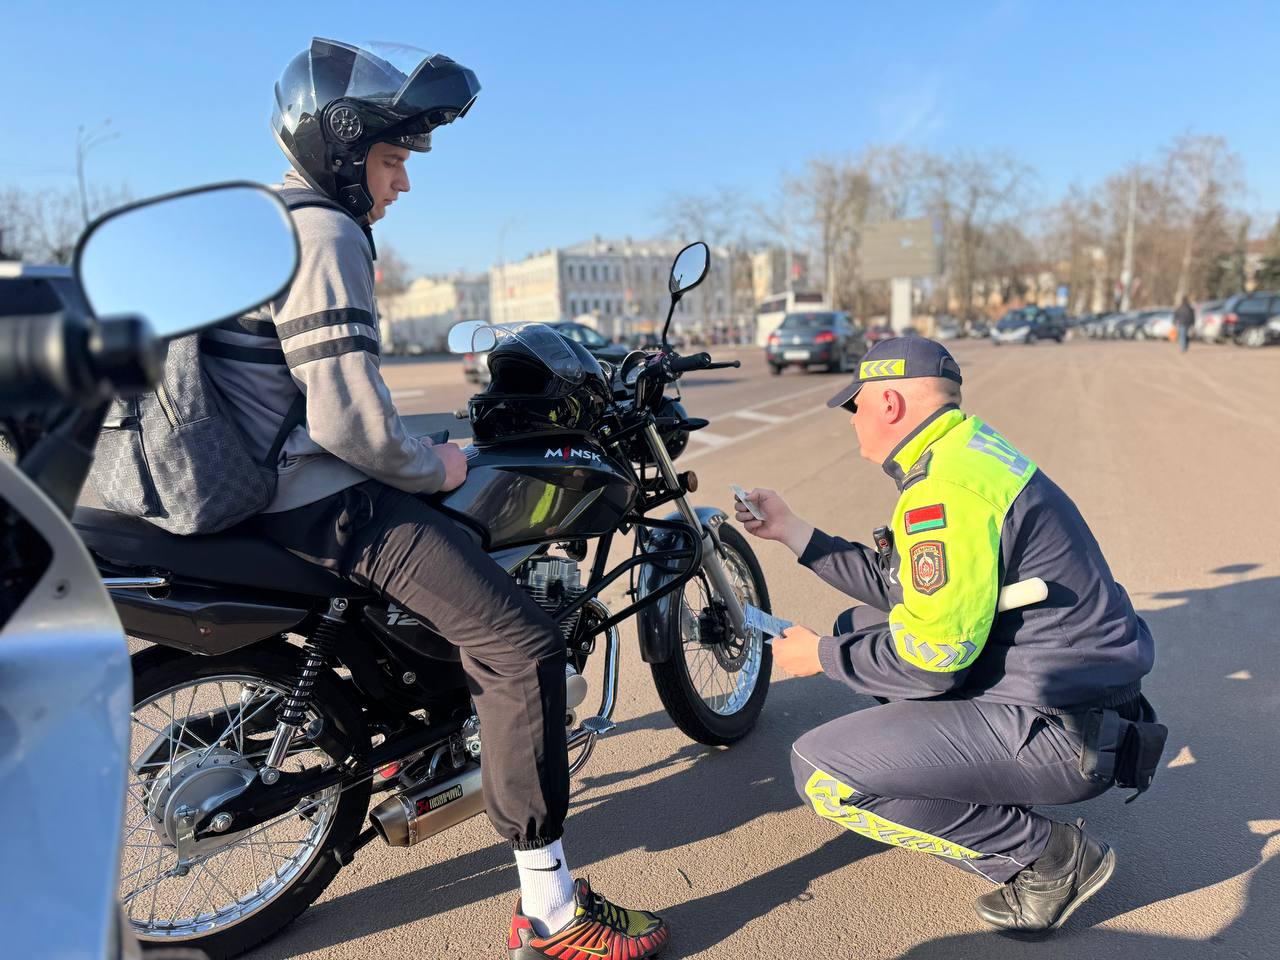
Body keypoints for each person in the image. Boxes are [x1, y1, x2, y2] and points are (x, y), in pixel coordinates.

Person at [203, 38, 667, 959]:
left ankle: (433, 740)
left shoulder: (260, 221)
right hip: (322, 497)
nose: (402, 183)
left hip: (257, 492)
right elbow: (352, 429)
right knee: (519, 639)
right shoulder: (324, 231)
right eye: (392, 158)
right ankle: (549, 909)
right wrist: (435, 464)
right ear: (343, 150)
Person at [735, 337, 1162, 934]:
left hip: (1066, 728)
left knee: (821, 772)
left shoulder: (942, 491)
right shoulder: (967, 452)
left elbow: (933, 661)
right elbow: (909, 585)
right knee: (857, 629)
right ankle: (980, 778)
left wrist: (820, 659)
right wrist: (793, 531)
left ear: (888, 403)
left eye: (854, 405)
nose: (853, 419)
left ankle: (1047, 857)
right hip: (1079, 697)